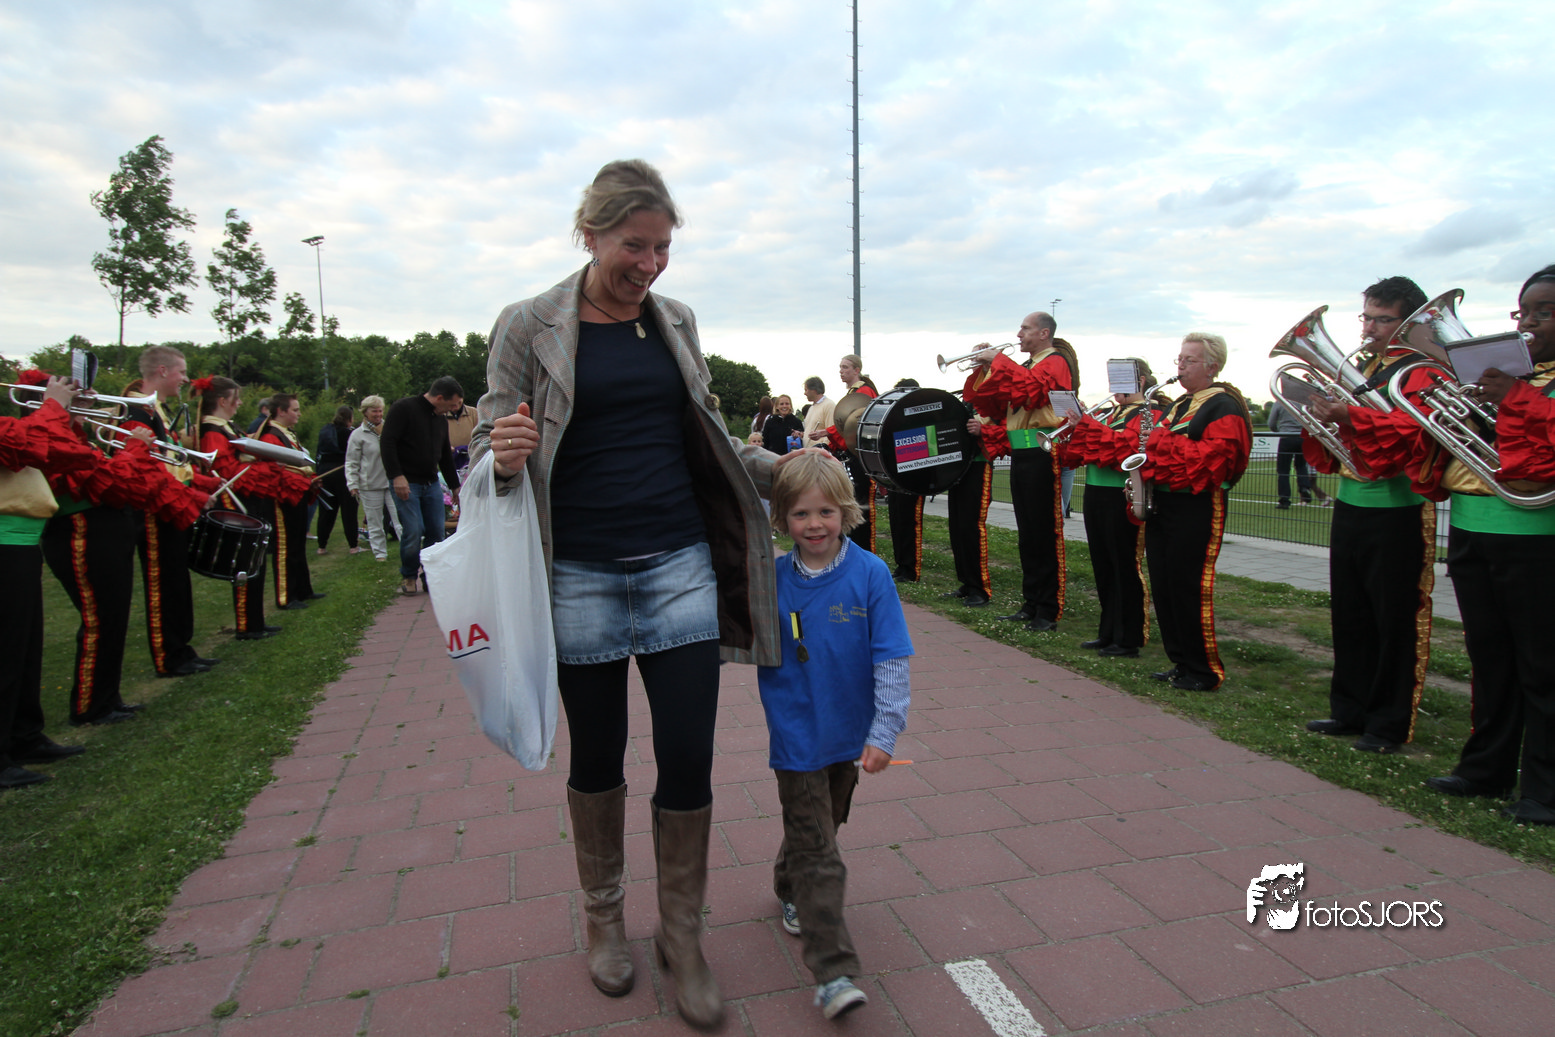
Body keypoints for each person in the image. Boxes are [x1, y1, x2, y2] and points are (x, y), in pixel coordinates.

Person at [472, 159, 784, 1029]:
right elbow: (490, 445)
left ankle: (681, 933)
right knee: (599, 754)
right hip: (578, 572)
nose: (648, 264)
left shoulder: (674, 319)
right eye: (633, 246)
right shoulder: (527, 323)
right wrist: (502, 456)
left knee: (687, 754)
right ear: (591, 235)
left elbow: (708, 431)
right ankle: (604, 918)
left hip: (679, 562)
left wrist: (785, 468)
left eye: (662, 248)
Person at [1386, 266, 1555, 823]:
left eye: (1545, 312)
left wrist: (1516, 398)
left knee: (1542, 666)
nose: (1529, 322)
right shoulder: (1510, 379)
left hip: (1537, 537)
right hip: (1473, 527)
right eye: (1524, 312)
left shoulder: (1530, 386)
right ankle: (1485, 768)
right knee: (1490, 657)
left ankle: (1544, 791)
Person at [757, 452, 912, 1020]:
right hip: (795, 734)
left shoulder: (870, 573)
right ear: (782, 519)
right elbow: (736, 632)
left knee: (827, 818)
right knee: (822, 852)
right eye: (800, 513)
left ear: (845, 511)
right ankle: (833, 972)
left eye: (825, 511)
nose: (814, 524)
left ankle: (787, 881)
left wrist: (885, 730)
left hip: (850, 732)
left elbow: (891, 656)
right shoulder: (771, 579)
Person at [1064, 333, 1252, 690]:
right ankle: (1180, 661)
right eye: (1179, 359)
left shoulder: (1223, 405)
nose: (1180, 366)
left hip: (1196, 504)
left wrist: (1158, 446)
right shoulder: (1182, 403)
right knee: (1166, 585)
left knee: (1189, 586)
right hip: (1165, 502)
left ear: (1212, 366)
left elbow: (1215, 461)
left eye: (1189, 360)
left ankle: (1203, 670)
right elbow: (1151, 448)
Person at [1301, 276, 1436, 755]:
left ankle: (1388, 722)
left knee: (1393, 618)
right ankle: (1349, 709)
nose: (1369, 328)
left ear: (1408, 322)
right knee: (1350, 613)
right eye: (1367, 317)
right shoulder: (1363, 369)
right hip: (1352, 503)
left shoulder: (1420, 371)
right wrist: (1320, 415)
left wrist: (1349, 415)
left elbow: (1414, 432)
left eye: (1382, 319)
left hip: (1399, 509)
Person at [1, 376, 99, 786]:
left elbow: (61, 453)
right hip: (5, 542)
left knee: (25, 647)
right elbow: (23, 443)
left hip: (22, 541)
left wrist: (68, 414)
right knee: (6, 649)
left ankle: (24, 735)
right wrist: (54, 406)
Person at [962, 313, 1079, 632]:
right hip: (1023, 451)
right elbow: (990, 402)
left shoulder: (1055, 361)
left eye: (1025, 329)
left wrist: (999, 361)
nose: (1018, 334)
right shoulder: (1028, 365)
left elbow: (1034, 391)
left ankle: (1048, 609)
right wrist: (984, 369)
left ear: (1044, 333)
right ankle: (1031, 603)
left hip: (1042, 451)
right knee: (1028, 533)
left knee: (1044, 532)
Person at [123, 345, 222, 678]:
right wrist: (191, 496)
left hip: (171, 504)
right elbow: (148, 470)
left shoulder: (156, 410)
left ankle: (181, 649)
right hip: (154, 510)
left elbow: (172, 463)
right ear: (162, 371)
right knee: (162, 584)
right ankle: (169, 655)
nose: (185, 379)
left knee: (177, 581)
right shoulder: (138, 412)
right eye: (181, 371)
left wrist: (199, 484)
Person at [1059, 359, 1168, 659]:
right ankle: (1107, 631)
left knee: (1124, 565)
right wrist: (1075, 428)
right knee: (1103, 565)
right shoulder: (1109, 413)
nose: (1114, 385)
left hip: (1123, 494)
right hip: (1095, 491)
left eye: (1121, 378)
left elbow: (1128, 450)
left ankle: (1129, 637)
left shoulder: (1149, 413)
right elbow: (1084, 451)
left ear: (1140, 381)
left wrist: (1088, 425)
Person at [198, 377, 299, 640]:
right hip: (236, 502)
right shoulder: (212, 430)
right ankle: (247, 624)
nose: (240, 403)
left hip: (249, 499)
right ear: (223, 401)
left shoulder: (225, 427)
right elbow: (228, 471)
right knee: (243, 563)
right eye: (236, 398)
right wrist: (266, 467)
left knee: (255, 562)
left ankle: (256, 621)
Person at [381, 377, 463, 596]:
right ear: (439, 398)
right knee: (414, 530)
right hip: (406, 483)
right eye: (451, 404)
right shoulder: (403, 409)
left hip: (431, 483)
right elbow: (387, 442)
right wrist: (396, 476)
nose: (454, 409)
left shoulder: (440, 419)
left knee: (437, 531)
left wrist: (455, 486)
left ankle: (431, 578)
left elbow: (445, 455)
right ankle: (409, 575)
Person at [256, 394, 322, 608]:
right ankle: (286, 596)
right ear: (281, 411)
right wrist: (303, 481)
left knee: (298, 543)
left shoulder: (287, 433)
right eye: (295, 410)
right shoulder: (270, 436)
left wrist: (310, 479)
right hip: (283, 496)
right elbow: (276, 470)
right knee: (285, 546)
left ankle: (303, 590)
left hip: (297, 492)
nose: (299, 414)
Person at [810, 355, 879, 552]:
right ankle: (854, 547)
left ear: (857, 370)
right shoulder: (854, 392)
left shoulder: (864, 392)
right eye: (840, 367)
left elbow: (854, 425)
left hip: (861, 456)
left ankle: (864, 550)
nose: (841, 371)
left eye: (846, 367)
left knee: (862, 505)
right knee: (853, 503)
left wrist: (827, 432)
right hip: (854, 455)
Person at [345, 395, 398, 561]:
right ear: (365, 412)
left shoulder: (390, 429)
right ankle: (380, 554)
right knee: (375, 522)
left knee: (400, 519)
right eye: (374, 411)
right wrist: (352, 484)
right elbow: (351, 462)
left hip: (393, 481)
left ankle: (409, 552)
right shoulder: (357, 435)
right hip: (369, 485)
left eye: (380, 411)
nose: (378, 414)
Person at [883, 377, 925, 582]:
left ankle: (911, 569)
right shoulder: (897, 417)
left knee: (910, 521)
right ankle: (901, 564)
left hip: (915, 477)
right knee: (897, 520)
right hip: (897, 476)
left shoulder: (922, 417)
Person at [314, 404, 360, 555]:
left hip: (325, 472)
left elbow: (318, 453)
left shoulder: (325, 430)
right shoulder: (349, 434)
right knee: (349, 510)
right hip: (342, 471)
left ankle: (321, 546)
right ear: (349, 418)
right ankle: (353, 546)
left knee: (326, 510)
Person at [1265, 398, 1318, 508]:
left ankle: (1284, 500)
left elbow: (1271, 422)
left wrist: (1279, 431)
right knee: (1301, 466)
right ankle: (1304, 487)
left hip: (1286, 437)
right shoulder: (1303, 402)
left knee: (1283, 470)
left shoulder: (1280, 402)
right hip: (1302, 437)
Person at [800, 376, 835, 444]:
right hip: (809, 450)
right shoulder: (811, 408)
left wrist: (824, 448)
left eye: (806, 390)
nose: (805, 393)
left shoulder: (829, 405)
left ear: (814, 390)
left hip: (820, 450)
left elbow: (831, 432)